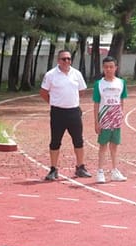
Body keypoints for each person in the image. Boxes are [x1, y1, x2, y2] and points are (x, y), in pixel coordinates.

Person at [40, 49, 92, 180]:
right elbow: (43, 92)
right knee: (55, 141)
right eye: (64, 59)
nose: (67, 61)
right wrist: (54, 102)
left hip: (74, 112)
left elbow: (81, 91)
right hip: (58, 113)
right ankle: (53, 169)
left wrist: (70, 101)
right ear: (58, 60)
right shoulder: (51, 75)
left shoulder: (77, 74)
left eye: (69, 59)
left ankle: (80, 167)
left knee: (78, 140)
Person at [93, 56, 128, 183]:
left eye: (111, 67)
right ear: (103, 68)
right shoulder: (99, 84)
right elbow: (96, 104)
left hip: (116, 118)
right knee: (103, 146)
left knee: (114, 146)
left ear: (116, 68)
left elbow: (122, 100)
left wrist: (121, 114)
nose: (109, 69)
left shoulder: (121, 83)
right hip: (104, 118)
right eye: (106, 67)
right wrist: (96, 122)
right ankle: (100, 171)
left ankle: (114, 171)